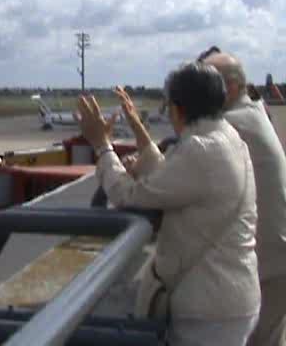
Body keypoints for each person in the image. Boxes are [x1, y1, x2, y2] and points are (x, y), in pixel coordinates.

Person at [77, 62, 260, 346]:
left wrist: (101, 145)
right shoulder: (227, 138)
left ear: (177, 110)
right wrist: (138, 127)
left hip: (209, 312)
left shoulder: (200, 150)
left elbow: (128, 196)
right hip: (230, 299)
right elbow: (172, 180)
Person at [202, 52, 286, 346]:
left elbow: (175, 169)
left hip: (266, 264)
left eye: (207, 84)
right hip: (275, 257)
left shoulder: (232, 123)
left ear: (233, 88)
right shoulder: (255, 112)